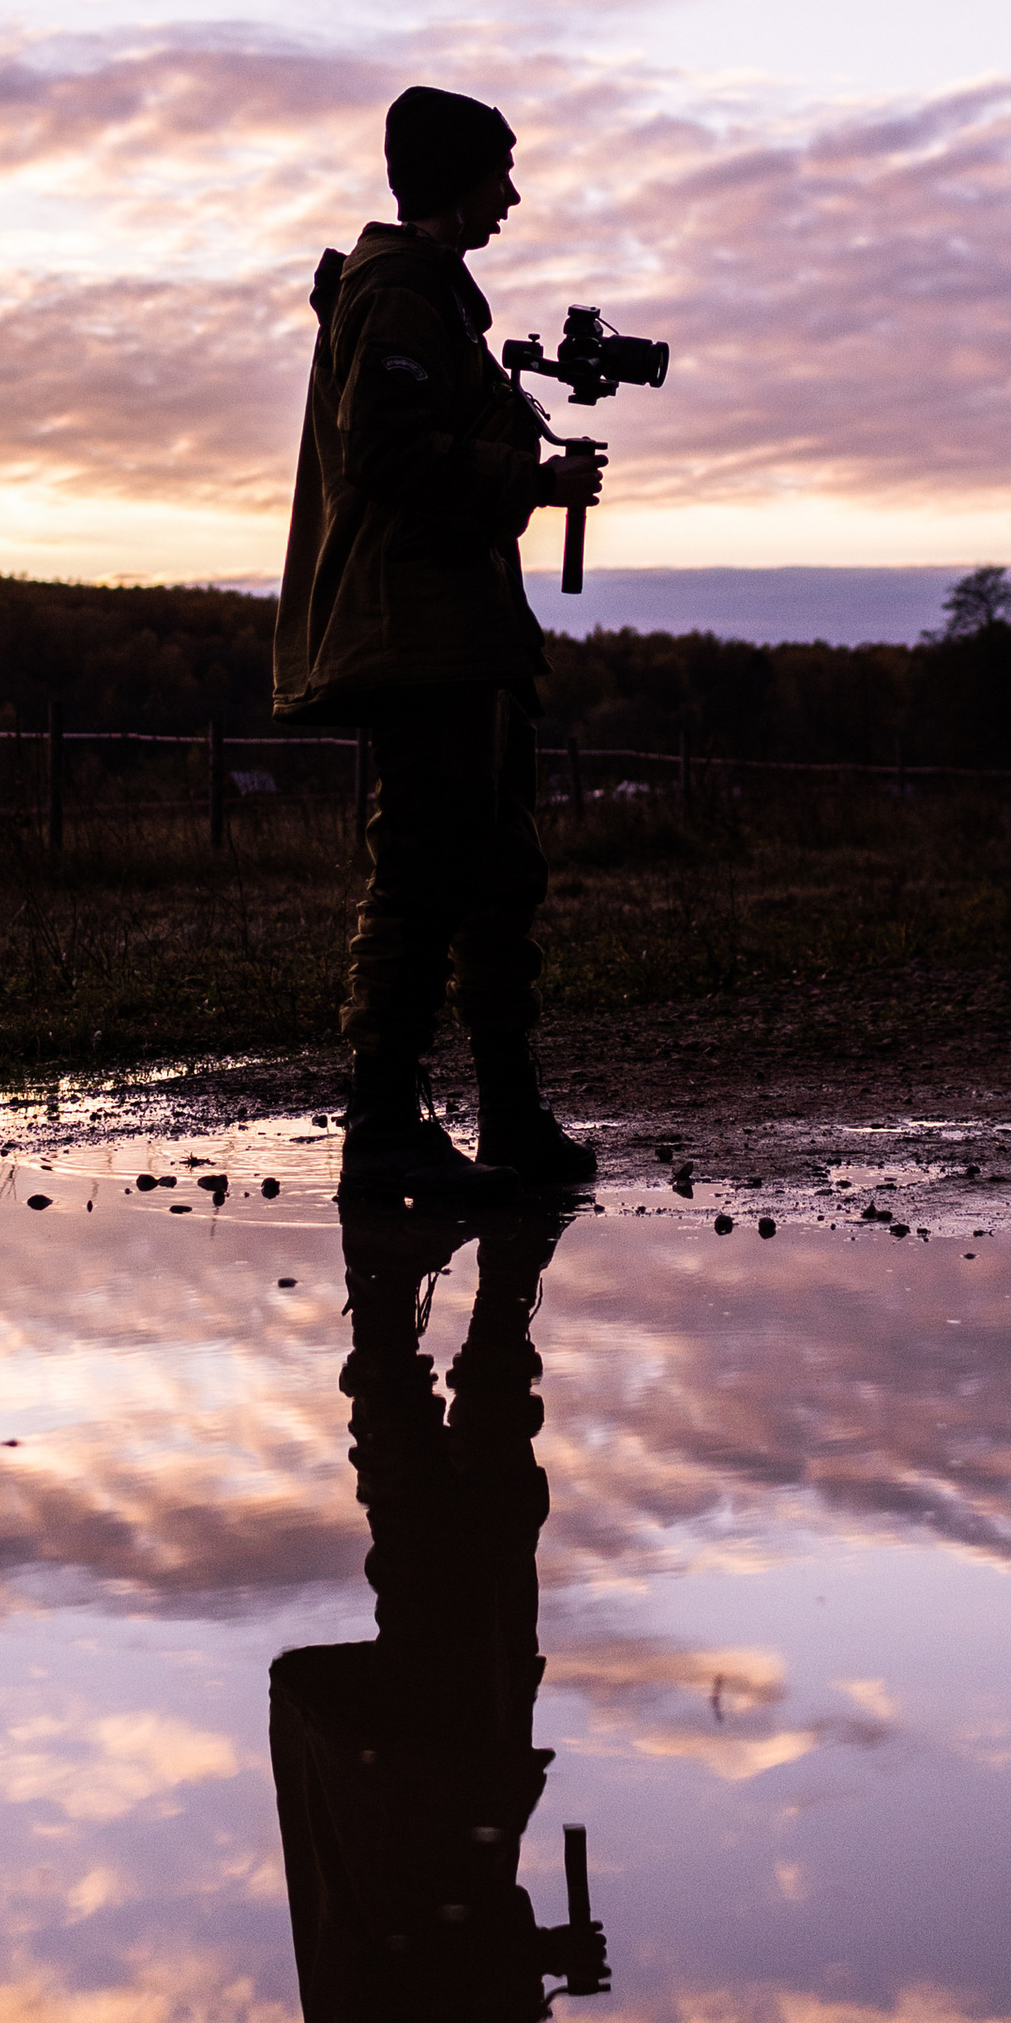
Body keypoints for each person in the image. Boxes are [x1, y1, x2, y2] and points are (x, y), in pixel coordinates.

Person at [267, 1220, 585, 2023]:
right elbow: (435, 1968)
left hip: (438, 1764)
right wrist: (527, 1978)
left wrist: (537, 1973)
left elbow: (423, 1960)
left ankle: (441, 1288)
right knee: (447, 1529)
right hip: (437, 1766)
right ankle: (444, 1299)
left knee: (465, 1525)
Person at [273, 85, 597, 1193]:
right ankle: (383, 1128)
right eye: (499, 171)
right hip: (418, 636)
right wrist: (534, 479)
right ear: (454, 175)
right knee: (420, 870)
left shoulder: (434, 299)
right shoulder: (402, 291)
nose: (512, 193)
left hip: (464, 630)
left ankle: (509, 1113)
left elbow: (431, 436)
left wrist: (523, 437)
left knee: (498, 871)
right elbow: (391, 456)